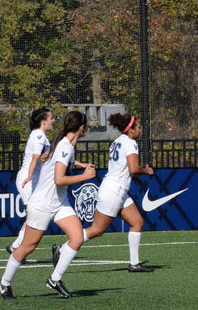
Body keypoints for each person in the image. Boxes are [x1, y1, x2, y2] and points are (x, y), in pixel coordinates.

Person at [0, 110, 96, 299]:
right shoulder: (64, 146)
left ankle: (55, 279)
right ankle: (4, 283)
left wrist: (80, 165)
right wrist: (84, 177)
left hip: (60, 203)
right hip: (42, 204)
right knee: (27, 247)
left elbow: (48, 158)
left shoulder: (65, 144)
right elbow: (59, 179)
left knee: (77, 238)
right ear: (82, 128)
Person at [51, 113, 155, 272]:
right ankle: (62, 248)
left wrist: (134, 178)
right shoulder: (130, 143)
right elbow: (133, 168)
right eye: (139, 127)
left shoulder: (118, 141)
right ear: (131, 130)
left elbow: (123, 168)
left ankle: (134, 264)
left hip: (117, 190)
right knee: (97, 230)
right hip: (114, 192)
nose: (140, 130)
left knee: (137, 222)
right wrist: (146, 171)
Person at [5, 107, 54, 256]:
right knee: (34, 216)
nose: (53, 121)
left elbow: (47, 158)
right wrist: (30, 176)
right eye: (51, 118)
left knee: (34, 216)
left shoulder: (40, 135)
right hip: (28, 180)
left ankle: (16, 247)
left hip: (33, 180)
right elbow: (35, 158)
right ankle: (16, 247)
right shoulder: (39, 136)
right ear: (43, 121)